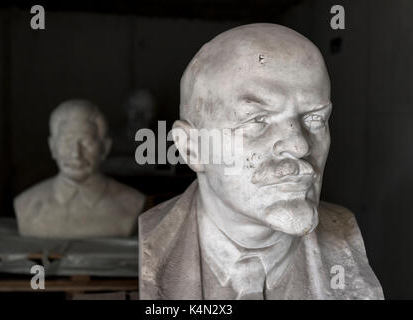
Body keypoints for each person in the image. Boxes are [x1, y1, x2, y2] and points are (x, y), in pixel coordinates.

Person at [139, 24, 383, 299]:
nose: (299, 145)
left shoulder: (344, 234)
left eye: (314, 118)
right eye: (258, 120)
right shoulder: (144, 246)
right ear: (192, 148)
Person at [15, 100, 146, 238]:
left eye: (86, 142)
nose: (76, 154)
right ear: (52, 147)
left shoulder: (131, 202)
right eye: (67, 142)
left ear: (105, 148)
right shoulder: (26, 204)